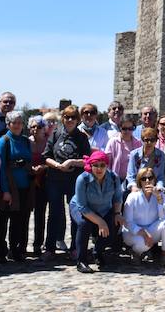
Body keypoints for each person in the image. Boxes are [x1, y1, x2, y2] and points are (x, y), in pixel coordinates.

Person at [43, 105, 91, 260]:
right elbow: (46, 156)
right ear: (63, 118)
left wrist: (71, 162)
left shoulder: (82, 137)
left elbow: (87, 161)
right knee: (54, 214)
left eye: (73, 117)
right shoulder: (55, 134)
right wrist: (58, 166)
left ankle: (75, 248)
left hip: (74, 181)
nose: (70, 120)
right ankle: (50, 248)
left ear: (77, 120)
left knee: (75, 214)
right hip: (55, 180)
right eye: (67, 117)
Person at [69, 151, 125, 273]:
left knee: (113, 227)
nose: (99, 169)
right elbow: (82, 207)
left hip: (104, 208)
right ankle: (81, 261)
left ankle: (98, 252)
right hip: (81, 208)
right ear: (91, 166)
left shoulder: (114, 178)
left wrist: (117, 214)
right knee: (84, 225)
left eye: (102, 165)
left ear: (107, 166)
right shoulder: (82, 179)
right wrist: (100, 222)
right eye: (96, 165)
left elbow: (117, 198)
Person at [0, 110, 33, 263]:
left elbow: (29, 160)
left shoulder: (25, 141)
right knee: (3, 220)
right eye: (14, 123)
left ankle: (16, 249)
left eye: (20, 122)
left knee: (19, 221)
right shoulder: (4, 140)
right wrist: (5, 190)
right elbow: (0, 166)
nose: (17, 125)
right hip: (9, 188)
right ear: (8, 124)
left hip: (24, 187)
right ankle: (0, 251)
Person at [123, 167, 165, 270]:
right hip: (133, 232)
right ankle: (136, 252)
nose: (147, 181)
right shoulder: (132, 197)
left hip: (151, 230)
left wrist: (159, 198)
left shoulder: (160, 195)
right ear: (139, 181)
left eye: (150, 178)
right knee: (142, 243)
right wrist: (143, 233)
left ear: (154, 180)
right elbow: (128, 222)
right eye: (143, 178)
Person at [28, 115, 49, 257]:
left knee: (40, 215)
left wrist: (43, 166)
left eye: (39, 126)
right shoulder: (26, 142)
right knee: (24, 214)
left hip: (45, 181)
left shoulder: (48, 142)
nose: (36, 129)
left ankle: (38, 243)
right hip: (29, 181)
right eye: (34, 126)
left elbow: (52, 158)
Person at [105, 117, 141, 194]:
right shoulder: (113, 142)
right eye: (124, 128)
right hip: (115, 180)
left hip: (133, 181)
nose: (127, 131)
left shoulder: (138, 143)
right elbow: (107, 162)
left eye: (130, 128)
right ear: (120, 128)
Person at [127, 128, 165, 193]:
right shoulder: (134, 154)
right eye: (146, 140)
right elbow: (131, 175)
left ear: (156, 141)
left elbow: (161, 176)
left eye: (152, 140)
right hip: (138, 188)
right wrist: (134, 187)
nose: (149, 142)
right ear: (142, 140)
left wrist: (159, 187)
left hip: (154, 188)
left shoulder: (161, 155)